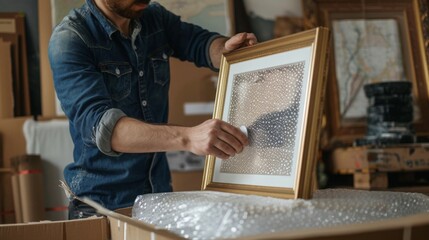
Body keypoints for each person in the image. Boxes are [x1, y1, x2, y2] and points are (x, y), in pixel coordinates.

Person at [48, 0, 257, 219]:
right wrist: (189, 137)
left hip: (157, 198)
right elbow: (106, 129)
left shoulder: (153, 17)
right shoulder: (70, 39)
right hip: (101, 207)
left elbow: (199, 43)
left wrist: (225, 49)